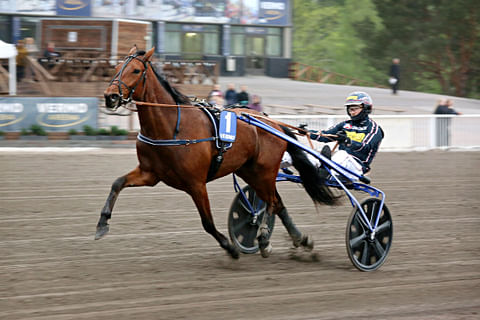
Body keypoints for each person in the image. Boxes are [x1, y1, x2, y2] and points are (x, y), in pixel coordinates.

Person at [282, 91, 384, 180]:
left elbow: (366, 147)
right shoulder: (345, 124)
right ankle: (276, 164)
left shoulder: (374, 129)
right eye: (350, 109)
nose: (352, 112)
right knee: (302, 153)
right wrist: (307, 132)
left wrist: (348, 142)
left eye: (355, 108)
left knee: (341, 154)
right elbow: (325, 135)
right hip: (336, 165)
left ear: (366, 108)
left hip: (356, 168)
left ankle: (324, 170)